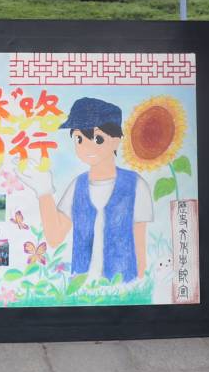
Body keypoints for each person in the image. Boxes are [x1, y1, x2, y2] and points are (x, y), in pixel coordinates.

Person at [23, 97, 153, 282]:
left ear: (116, 141)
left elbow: (140, 248)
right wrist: (44, 192)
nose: (87, 147)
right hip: (82, 288)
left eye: (98, 139)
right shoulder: (77, 186)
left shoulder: (135, 185)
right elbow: (54, 237)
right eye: (79, 139)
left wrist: (137, 287)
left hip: (123, 287)